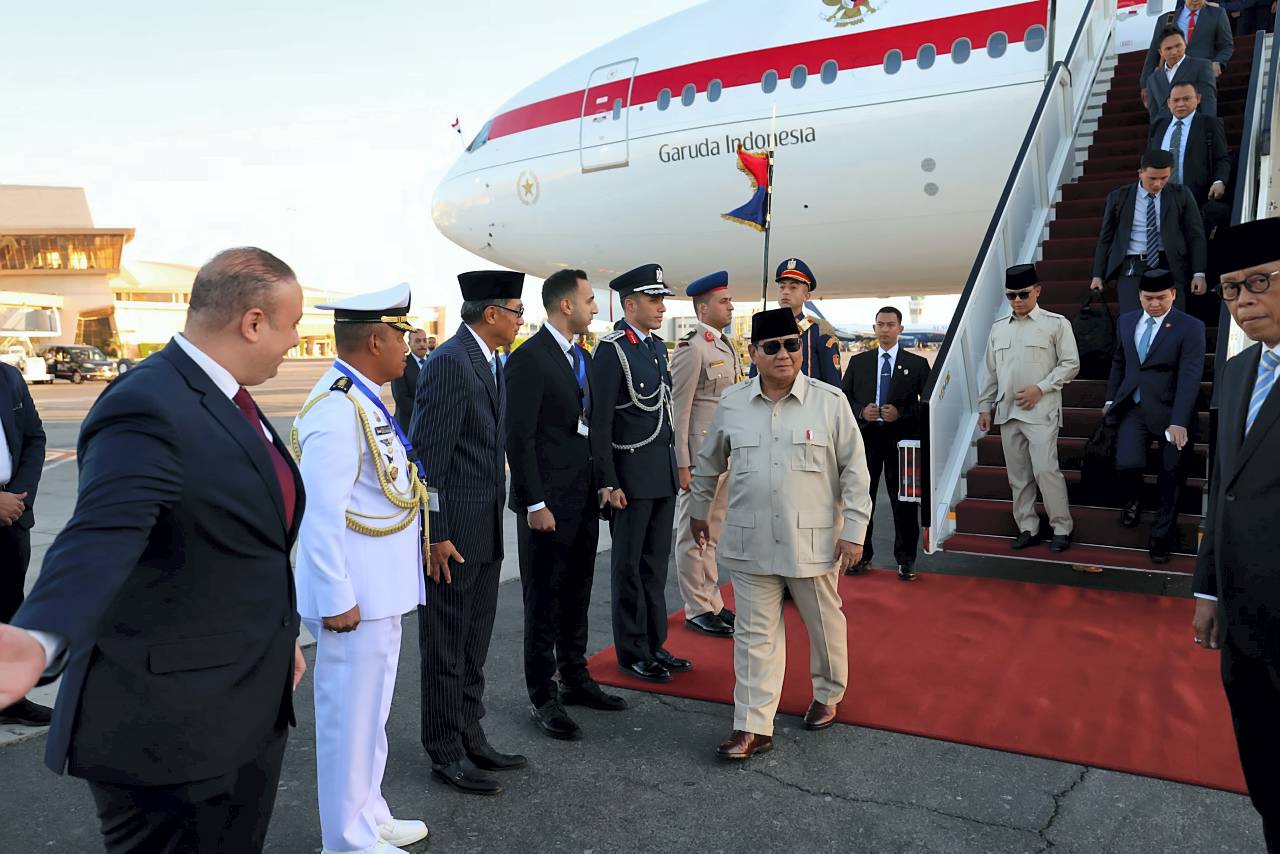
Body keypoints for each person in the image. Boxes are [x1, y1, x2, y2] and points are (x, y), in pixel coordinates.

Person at [0, 247, 308, 854]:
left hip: (240, 704)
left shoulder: (227, 398)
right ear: (252, 322)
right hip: (172, 735)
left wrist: (281, 634)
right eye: (291, 324)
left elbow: (238, 539)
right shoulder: (148, 403)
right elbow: (103, 530)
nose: (296, 341)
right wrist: (39, 636)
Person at [690, 308, 872, 760]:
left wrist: (854, 531)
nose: (784, 354)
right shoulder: (733, 403)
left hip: (812, 542)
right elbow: (709, 464)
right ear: (753, 353)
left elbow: (855, 471)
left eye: (791, 344)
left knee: (824, 625)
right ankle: (753, 725)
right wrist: (698, 512)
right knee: (754, 635)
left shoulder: (829, 402)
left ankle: (829, 692)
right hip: (751, 540)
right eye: (771, 347)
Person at [293, 283, 430, 854]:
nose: (410, 346)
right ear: (375, 338)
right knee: (348, 722)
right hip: (354, 599)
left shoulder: (365, 398)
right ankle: (345, 839)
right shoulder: (336, 407)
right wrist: (333, 596)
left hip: (381, 593)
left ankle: (369, 814)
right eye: (402, 335)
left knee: (370, 717)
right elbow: (317, 516)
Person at [410, 270, 528, 795]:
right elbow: (427, 460)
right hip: (453, 537)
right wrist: (434, 535)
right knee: (446, 647)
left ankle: (471, 733)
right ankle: (444, 748)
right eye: (517, 309)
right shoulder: (451, 363)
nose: (522, 319)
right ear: (491, 314)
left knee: (474, 643)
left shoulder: (487, 360)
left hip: (484, 530)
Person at [504, 269, 627, 743]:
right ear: (564, 306)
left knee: (577, 592)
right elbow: (520, 436)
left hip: (581, 499)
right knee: (544, 600)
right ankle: (543, 694)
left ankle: (575, 678)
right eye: (590, 300)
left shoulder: (582, 355)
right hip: (546, 505)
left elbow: (590, 429)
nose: (595, 307)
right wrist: (534, 501)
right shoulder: (529, 359)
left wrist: (603, 484)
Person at [1192, 217, 1280, 852]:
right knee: (1269, 778)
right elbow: (1222, 482)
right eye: (1230, 289)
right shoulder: (1239, 371)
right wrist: (1207, 589)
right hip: (1244, 618)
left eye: (1260, 283)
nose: (1244, 301)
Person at [590, 263, 690, 682]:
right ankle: (632, 651)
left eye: (662, 299)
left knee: (654, 566)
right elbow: (600, 424)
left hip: (660, 474)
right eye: (653, 299)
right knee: (628, 568)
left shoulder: (652, 347)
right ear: (629, 304)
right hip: (630, 478)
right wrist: (608, 481)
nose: (661, 306)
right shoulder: (613, 349)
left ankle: (654, 643)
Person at [1103, 269, 1206, 564]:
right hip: (1133, 407)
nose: (1155, 304)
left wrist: (1179, 421)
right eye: (1149, 298)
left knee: (1171, 477)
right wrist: (1111, 398)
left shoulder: (1190, 327)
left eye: (1161, 298)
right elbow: (1119, 362)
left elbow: (1190, 376)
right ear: (1140, 296)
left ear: (1173, 294)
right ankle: (1132, 500)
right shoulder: (1126, 321)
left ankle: (1161, 537)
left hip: (1172, 411)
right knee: (1128, 462)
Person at [977, 264, 1080, 553]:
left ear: (1037, 291)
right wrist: (985, 406)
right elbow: (990, 372)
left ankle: (1061, 527)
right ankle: (1028, 527)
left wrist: (1041, 388)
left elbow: (1071, 364)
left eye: (1023, 294)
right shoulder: (998, 329)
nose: (1018, 300)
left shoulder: (1056, 324)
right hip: (1008, 412)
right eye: (1011, 296)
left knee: (1046, 471)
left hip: (1041, 411)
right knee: (1018, 476)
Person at [670, 270, 740, 637]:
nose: (730, 305)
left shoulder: (724, 344)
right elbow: (678, 413)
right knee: (691, 535)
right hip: (698, 459)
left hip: (723, 456)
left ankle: (712, 601)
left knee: (711, 535)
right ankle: (697, 607)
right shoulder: (692, 347)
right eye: (723, 301)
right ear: (702, 308)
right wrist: (682, 464)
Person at [840, 305, 928, 581]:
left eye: (891, 325)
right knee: (862, 499)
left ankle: (906, 560)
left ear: (900, 329)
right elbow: (843, 399)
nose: (885, 329)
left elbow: (928, 406)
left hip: (901, 443)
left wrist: (901, 413)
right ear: (875, 327)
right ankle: (860, 555)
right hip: (866, 441)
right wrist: (860, 411)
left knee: (903, 503)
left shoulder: (917, 365)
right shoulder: (859, 363)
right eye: (881, 324)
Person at [1090, 148, 1208, 316]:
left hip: (1170, 263)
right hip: (1133, 264)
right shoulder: (1119, 197)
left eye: (1163, 178)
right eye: (1152, 178)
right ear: (1140, 173)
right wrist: (1097, 274)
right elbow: (1106, 237)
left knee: (1172, 321)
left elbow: (1195, 235)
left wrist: (1199, 273)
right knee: (1133, 319)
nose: (1157, 184)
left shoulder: (1180, 194)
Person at [0, 358, 47, 727]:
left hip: (13, 514)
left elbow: (33, 437)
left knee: (10, 610)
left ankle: (10, 700)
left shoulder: (8, 377)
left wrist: (19, 497)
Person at [1149, 82, 1231, 240]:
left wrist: (1220, 180)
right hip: (1163, 198)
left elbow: (1222, 158)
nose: (1180, 104)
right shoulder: (1159, 127)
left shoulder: (1209, 124)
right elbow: (1150, 160)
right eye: (1176, 100)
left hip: (1197, 197)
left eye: (1186, 99)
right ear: (1168, 103)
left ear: (1198, 99)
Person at [750, 258, 841, 386]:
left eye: (793, 287)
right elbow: (754, 376)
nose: (785, 292)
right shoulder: (765, 328)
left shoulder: (818, 331)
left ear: (806, 296)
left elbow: (833, 383)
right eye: (782, 287)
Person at [1140, 0, 1234, 93]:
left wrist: (1218, 62)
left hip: (1203, 79)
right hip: (1172, 82)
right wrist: (1144, 84)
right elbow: (1153, 53)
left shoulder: (1217, 14)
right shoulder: (1167, 18)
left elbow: (1227, 46)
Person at [1143, 26, 1218, 123]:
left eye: (1178, 46)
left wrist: (1208, 132)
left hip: (1195, 128)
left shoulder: (1201, 66)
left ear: (1185, 44)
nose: (1174, 52)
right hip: (1166, 133)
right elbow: (1154, 116)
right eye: (1168, 48)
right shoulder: (1152, 79)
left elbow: (1208, 103)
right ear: (1160, 52)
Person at [391, 327, 430, 433]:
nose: (422, 344)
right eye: (417, 341)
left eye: (424, 340)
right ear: (409, 343)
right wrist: (424, 414)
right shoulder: (401, 363)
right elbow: (401, 397)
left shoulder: (436, 361)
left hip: (433, 425)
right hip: (409, 425)